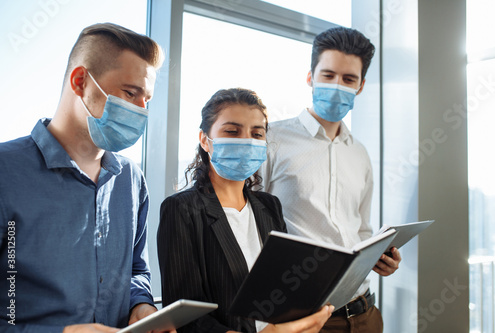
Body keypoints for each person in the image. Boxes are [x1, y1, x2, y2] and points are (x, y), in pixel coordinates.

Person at [0, 23, 173, 333]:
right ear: (80, 81)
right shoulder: (6, 172)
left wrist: (141, 305)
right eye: (130, 93)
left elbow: (136, 269)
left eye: (146, 99)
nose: (141, 110)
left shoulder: (131, 179)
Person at [259, 27, 402, 332]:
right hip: (301, 317)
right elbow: (249, 227)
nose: (338, 85)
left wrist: (379, 256)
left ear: (361, 86)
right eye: (328, 75)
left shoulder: (360, 153)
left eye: (348, 79)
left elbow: (361, 229)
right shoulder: (271, 140)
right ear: (310, 77)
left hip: (365, 313)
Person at [157, 88, 334, 333]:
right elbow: (183, 316)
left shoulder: (269, 206)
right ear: (204, 140)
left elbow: (283, 285)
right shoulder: (182, 210)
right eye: (232, 131)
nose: (247, 141)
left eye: (257, 134)